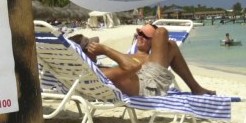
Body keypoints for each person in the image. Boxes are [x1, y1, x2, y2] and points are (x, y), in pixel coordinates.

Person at [85, 23, 214, 97]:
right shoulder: (123, 59)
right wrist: (105, 50)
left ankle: (196, 88)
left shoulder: (147, 57)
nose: (140, 37)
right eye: (139, 34)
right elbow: (131, 68)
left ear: (154, 43)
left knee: (170, 42)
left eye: (145, 36)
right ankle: (196, 88)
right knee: (162, 32)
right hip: (147, 84)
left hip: (146, 77)